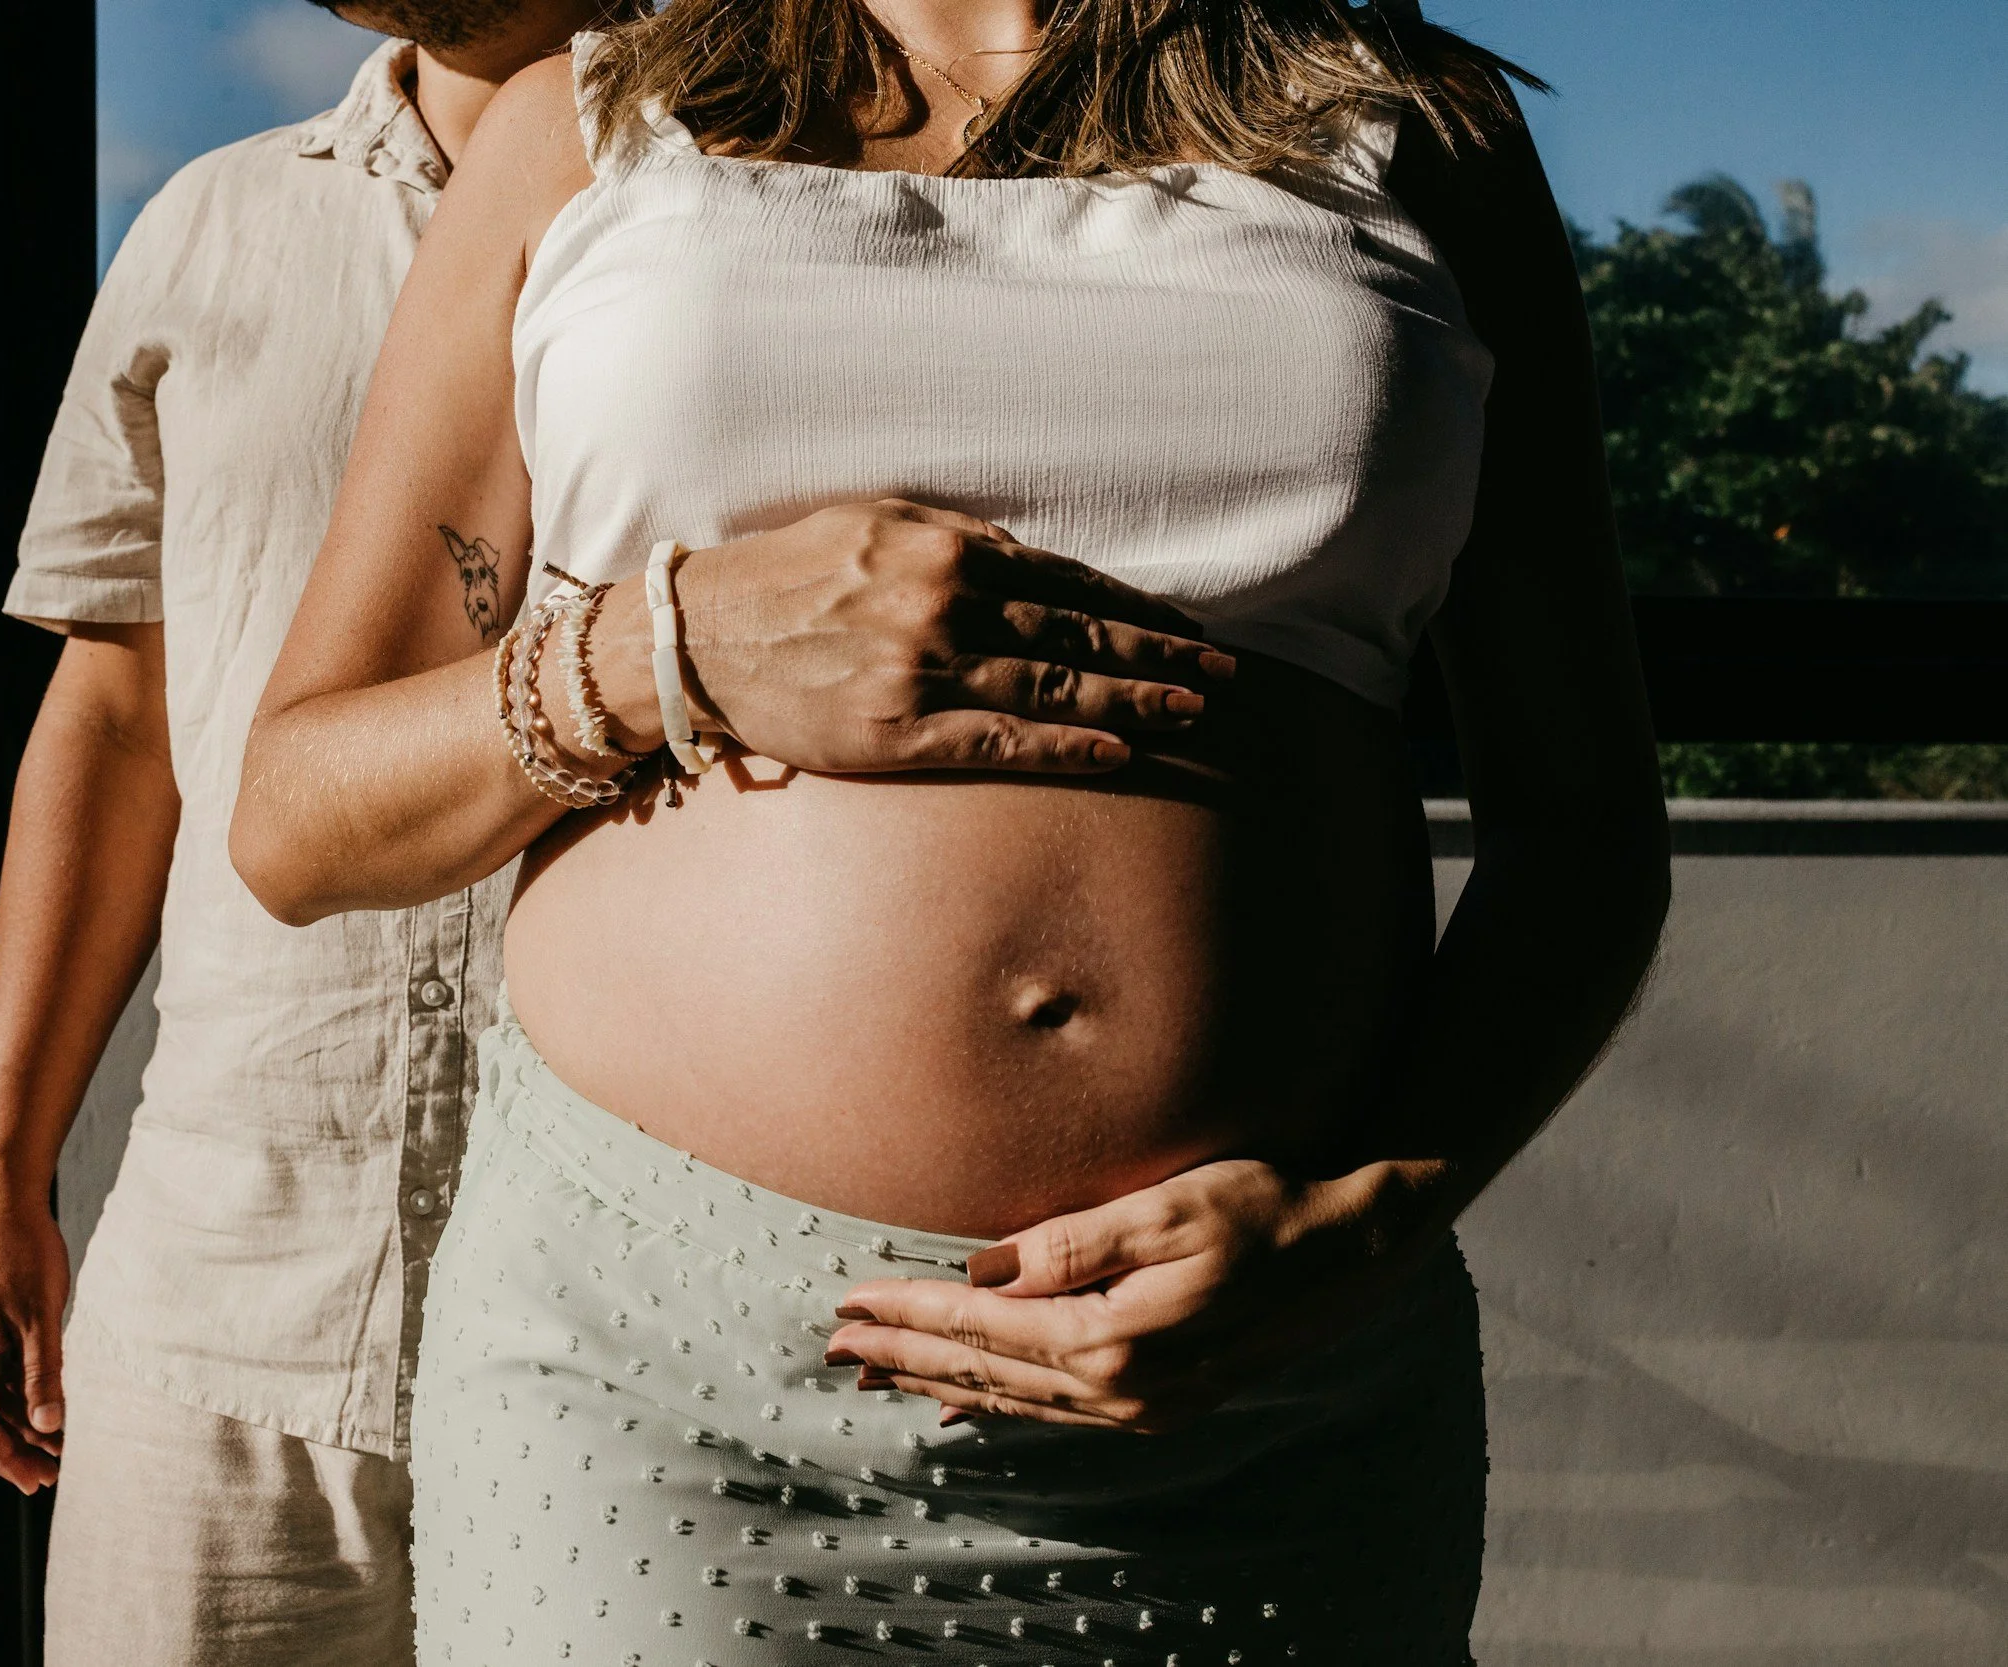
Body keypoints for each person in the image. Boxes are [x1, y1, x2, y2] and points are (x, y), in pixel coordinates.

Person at [233, 0, 1671, 1657]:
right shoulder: (589, 121)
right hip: (654, 1385)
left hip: (1257, 1369)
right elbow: (297, 811)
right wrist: (671, 644)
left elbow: (1584, 833)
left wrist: (1366, 1213)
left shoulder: (1415, 128)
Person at [0, 1, 618, 1660]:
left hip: (636, 1318)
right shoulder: (212, 222)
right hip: (222, 1307)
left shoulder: (761, 224)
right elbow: (110, 715)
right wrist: (1, 1172)